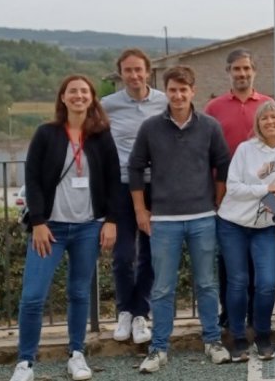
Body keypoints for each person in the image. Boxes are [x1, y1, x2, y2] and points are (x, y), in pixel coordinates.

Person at [10, 75, 120, 381]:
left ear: (92, 97)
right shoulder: (46, 133)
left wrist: (111, 220)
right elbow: (32, 179)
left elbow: (114, 180)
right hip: (50, 229)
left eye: (84, 91)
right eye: (73, 91)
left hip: (88, 228)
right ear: (62, 97)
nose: (79, 96)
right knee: (33, 296)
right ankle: (25, 362)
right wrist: (38, 222)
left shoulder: (101, 135)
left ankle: (76, 354)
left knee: (79, 292)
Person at [129, 66, 233, 373]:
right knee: (162, 288)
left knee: (207, 284)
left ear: (192, 91)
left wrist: (217, 200)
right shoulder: (150, 128)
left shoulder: (210, 126)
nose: (178, 95)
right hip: (164, 221)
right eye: (173, 90)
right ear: (166, 91)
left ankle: (212, 341)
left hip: (203, 218)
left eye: (183, 89)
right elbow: (135, 168)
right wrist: (140, 210)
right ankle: (159, 347)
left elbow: (223, 164)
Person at [217, 100, 275, 362]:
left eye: (274, 117)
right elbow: (233, 188)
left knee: (266, 283)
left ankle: (263, 335)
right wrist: (267, 189)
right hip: (233, 223)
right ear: (258, 124)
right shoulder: (246, 149)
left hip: (264, 226)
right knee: (238, 282)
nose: (270, 122)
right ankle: (238, 338)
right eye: (264, 118)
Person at [101, 48, 167, 345]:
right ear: (121, 73)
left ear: (148, 72)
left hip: (156, 187)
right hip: (122, 186)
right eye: (128, 70)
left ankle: (141, 312)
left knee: (151, 255)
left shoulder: (163, 102)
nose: (134, 75)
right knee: (123, 254)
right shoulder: (108, 105)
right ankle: (125, 311)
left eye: (138, 69)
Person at [205, 48, 271, 329]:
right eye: (236, 69)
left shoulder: (268, 105)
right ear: (228, 72)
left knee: (259, 260)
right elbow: (206, 152)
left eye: (246, 68)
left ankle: (257, 315)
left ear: (254, 71)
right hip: (226, 195)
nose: (242, 73)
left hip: (262, 194)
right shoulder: (214, 108)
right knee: (229, 260)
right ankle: (230, 314)